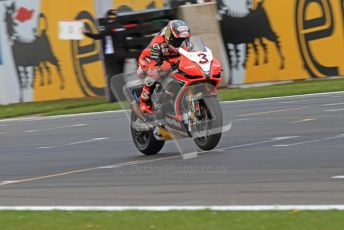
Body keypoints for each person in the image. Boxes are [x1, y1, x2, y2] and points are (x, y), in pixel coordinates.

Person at [137, 19, 191, 113]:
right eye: (178, 40)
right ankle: (144, 103)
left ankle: (173, 95)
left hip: (169, 59)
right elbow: (153, 67)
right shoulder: (158, 44)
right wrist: (166, 65)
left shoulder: (186, 43)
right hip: (150, 59)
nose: (180, 43)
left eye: (183, 40)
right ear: (170, 36)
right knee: (153, 75)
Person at [83, 9, 127, 102]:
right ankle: (123, 97)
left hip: (111, 56)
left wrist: (86, 33)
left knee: (111, 77)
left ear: (107, 17)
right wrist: (126, 54)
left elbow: (97, 36)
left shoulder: (108, 27)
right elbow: (125, 42)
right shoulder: (121, 27)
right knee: (120, 77)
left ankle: (114, 98)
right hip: (122, 55)